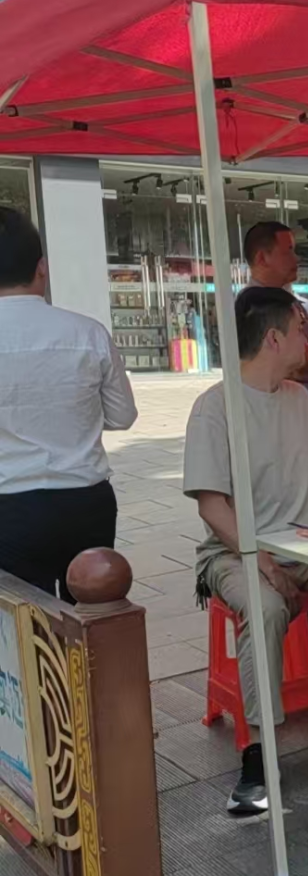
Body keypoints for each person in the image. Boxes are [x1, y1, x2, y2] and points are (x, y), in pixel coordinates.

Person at [183, 286, 308, 817]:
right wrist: (264, 562)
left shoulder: (300, 399)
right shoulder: (215, 408)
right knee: (266, 604)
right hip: (232, 552)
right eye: (301, 329)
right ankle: (259, 755)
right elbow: (213, 507)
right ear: (274, 338)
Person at [0, 207, 136, 599]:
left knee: (21, 622)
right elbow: (123, 416)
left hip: (9, 507)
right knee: (93, 613)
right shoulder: (88, 333)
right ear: (41, 268)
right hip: (84, 501)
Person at [244, 221, 308, 408]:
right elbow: (293, 363)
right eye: (288, 252)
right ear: (262, 258)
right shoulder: (253, 307)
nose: (296, 259)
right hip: (278, 412)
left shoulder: (290, 301)